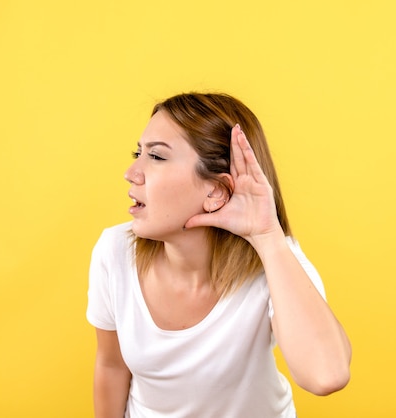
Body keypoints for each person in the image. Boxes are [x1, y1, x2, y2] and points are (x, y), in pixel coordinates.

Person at [86, 92, 351, 418]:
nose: (131, 172)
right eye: (138, 153)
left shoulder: (276, 260)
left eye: (156, 157)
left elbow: (327, 375)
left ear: (215, 191)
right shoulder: (114, 252)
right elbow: (111, 366)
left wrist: (268, 238)